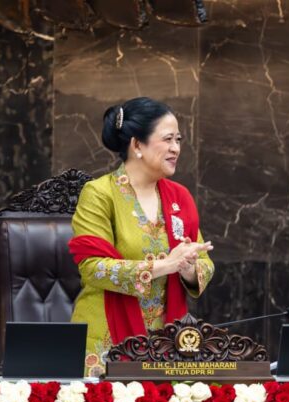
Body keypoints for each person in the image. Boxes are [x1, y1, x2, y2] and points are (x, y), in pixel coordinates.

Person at [68, 97, 214, 377]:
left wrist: (188, 269)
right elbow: (92, 268)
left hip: (167, 344)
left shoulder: (179, 197)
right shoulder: (99, 194)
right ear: (137, 145)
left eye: (178, 140)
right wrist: (165, 265)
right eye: (168, 139)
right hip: (106, 342)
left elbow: (204, 263)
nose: (176, 148)